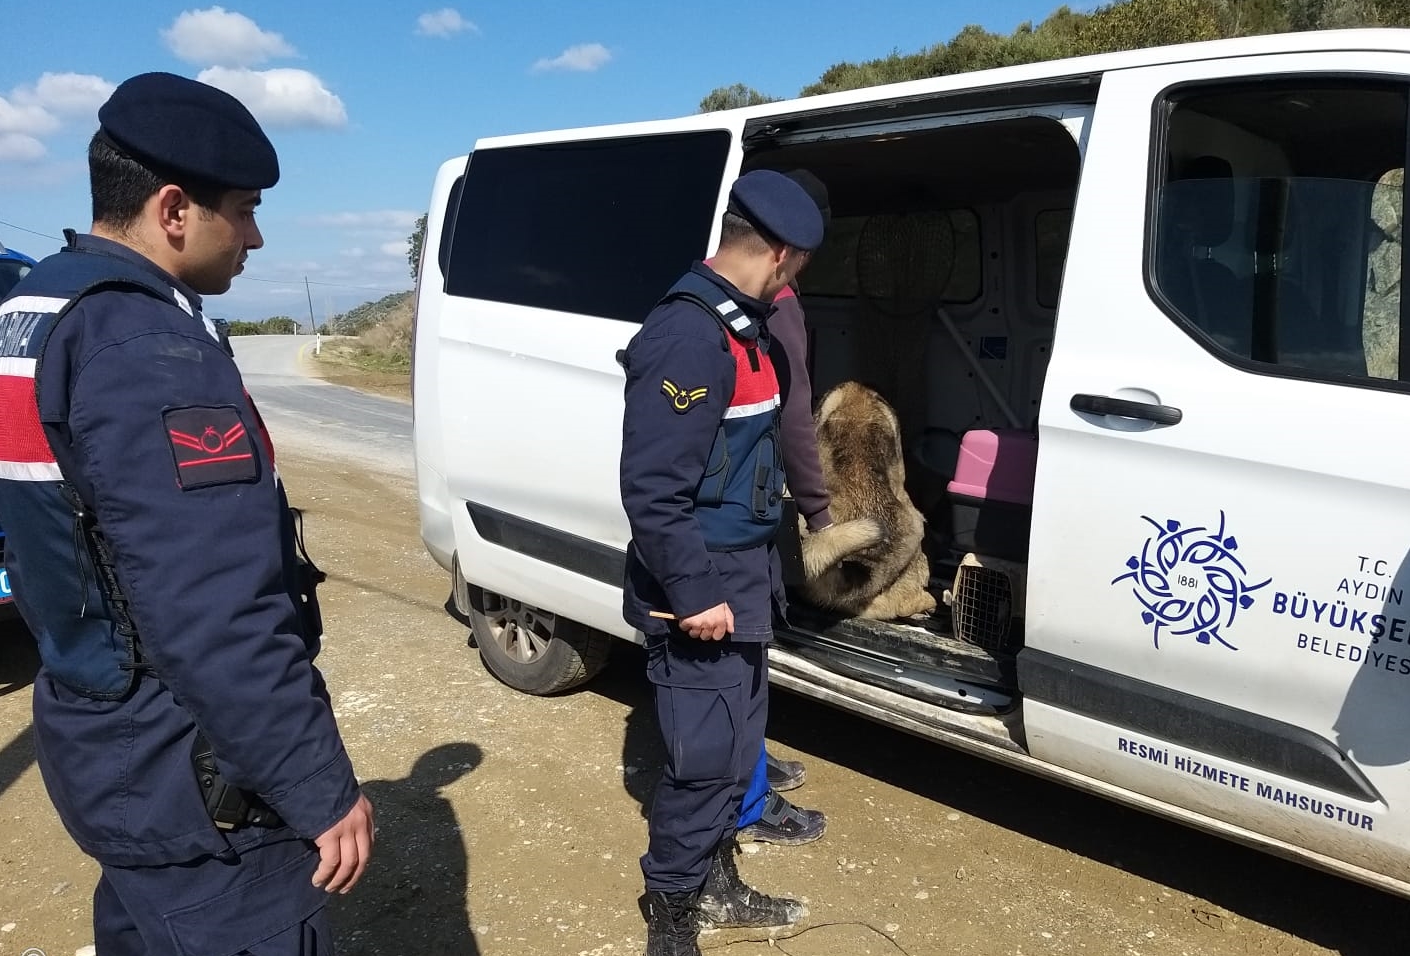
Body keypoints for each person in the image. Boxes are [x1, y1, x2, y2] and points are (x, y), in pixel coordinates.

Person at [0, 72, 372, 955]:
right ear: (173, 209)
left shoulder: (37, 306)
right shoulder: (146, 346)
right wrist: (317, 785)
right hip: (191, 769)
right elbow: (212, 612)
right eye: (241, 211)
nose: (254, 236)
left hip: (104, 738)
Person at [620, 169, 824, 956]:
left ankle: (719, 883)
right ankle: (672, 918)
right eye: (797, 266)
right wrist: (696, 592)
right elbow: (653, 491)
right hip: (699, 592)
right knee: (704, 762)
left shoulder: (744, 328)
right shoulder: (690, 336)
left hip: (742, 578)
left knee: (740, 749)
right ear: (778, 255)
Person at [735, 169, 834, 847]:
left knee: (744, 668)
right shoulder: (782, 305)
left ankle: (751, 766)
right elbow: (795, 414)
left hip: (738, 506)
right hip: (742, 513)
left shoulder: (716, 295)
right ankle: (747, 800)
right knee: (735, 668)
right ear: (788, 250)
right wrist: (820, 509)